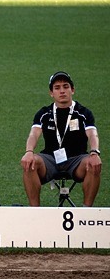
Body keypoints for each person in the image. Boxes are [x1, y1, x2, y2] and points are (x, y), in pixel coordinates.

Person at [20, 71, 101, 206]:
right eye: (57, 88)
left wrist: (94, 152)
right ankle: (34, 211)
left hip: (77, 159)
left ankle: (86, 211)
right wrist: (29, 152)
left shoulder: (83, 113)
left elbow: (93, 134)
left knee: (92, 163)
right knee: (30, 163)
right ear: (51, 93)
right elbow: (33, 134)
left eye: (65, 86)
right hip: (50, 159)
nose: (62, 91)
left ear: (72, 90)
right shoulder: (44, 113)